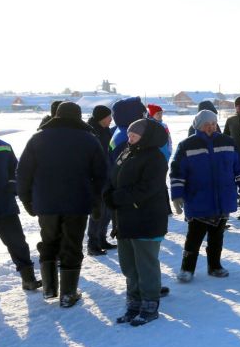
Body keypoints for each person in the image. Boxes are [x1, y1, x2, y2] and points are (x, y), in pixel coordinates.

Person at [17, 102, 107, 308]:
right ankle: (68, 294)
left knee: (48, 241)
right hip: (77, 202)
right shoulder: (89, 139)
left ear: (56, 115)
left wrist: (26, 200)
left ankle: (49, 288)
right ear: (77, 117)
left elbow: (23, 174)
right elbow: (101, 175)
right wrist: (96, 202)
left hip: (46, 203)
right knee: (72, 244)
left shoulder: (38, 138)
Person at [170, 110, 240, 282]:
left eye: (213, 123)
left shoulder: (228, 142)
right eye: (207, 124)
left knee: (217, 237)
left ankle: (215, 266)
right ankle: (187, 269)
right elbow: (177, 173)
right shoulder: (186, 145)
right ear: (199, 126)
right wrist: (176, 196)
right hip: (198, 198)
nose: (211, 127)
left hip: (222, 197)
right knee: (194, 238)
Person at [104, 119, 170, 326]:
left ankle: (150, 304)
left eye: (134, 135)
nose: (129, 138)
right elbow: (113, 176)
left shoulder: (155, 158)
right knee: (129, 265)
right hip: (125, 218)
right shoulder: (128, 151)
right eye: (129, 134)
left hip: (147, 218)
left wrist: (117, 197)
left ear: (146, 136)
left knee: (146, 265)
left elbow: (147, 188)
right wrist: (108, 193)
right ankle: (134, 302)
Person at [0, 118, 42, 300]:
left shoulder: (3, 146)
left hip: (4, 206)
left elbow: (16, 169)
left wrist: (12, 186)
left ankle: (28, 279)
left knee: (17, 243)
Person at [86, 104, 116, 256]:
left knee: (108, 210)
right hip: (96, 178)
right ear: (101, 118)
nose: (111, 119)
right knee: (98, 211)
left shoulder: (106, 131)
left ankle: (102, 238)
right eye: (108, 116)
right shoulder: (90, 131)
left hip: (108, 175)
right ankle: (92, 243)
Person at [223, 96, 240, 163]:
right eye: (237, 106)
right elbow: (225, 136)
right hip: (235, 153)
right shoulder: (231, 119)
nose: (239, 108)